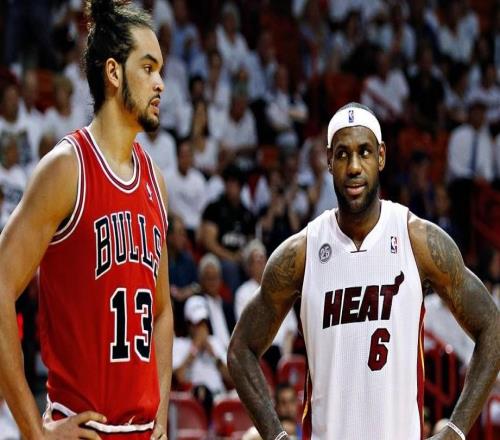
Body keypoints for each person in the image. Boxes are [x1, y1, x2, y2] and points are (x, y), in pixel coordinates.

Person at [227, 102, 500, 440]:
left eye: (364, 152)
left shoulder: (418, 240)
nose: (354, 166)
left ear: (381, 156)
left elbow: (492, 326)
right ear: (329, 160)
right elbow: (240, 350)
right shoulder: (301, 252)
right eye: (342, 154)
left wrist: (455, 430)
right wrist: (276, 435)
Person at [0, 1, 173, 439]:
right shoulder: (66, 168)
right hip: (84, 428)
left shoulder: (155, 180)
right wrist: (33, 432)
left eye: (160, 70)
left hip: (143, 430)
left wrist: (163, 414)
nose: (160, 83)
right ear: (113, 73)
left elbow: (162, 310)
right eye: (148, 68)